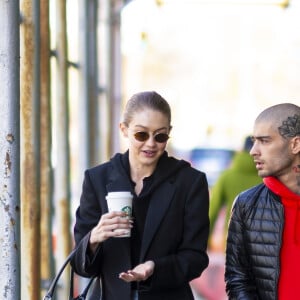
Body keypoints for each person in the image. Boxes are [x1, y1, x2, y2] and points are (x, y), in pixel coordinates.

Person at [71, 91, 210, 300]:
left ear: (169, 133)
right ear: (124, 129)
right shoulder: (97, 179)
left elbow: (195, 258)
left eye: (160, 136)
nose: (151, 144)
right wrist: (93, 239)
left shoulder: (189, 182)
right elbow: (82, 267)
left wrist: (155, 267)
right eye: (141, 135)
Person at [225, 103, 300, 299]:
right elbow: (237, 279)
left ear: (295, 144)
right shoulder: (246, 204)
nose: (253, 151)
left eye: (264, 141)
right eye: (254, 141)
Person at [209, 136, 262, 250]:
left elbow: (212, 211)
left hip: (232, 238)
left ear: (241, 150)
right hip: (263, 241)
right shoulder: (268, 178)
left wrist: (204, 240)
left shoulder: (226, 176)